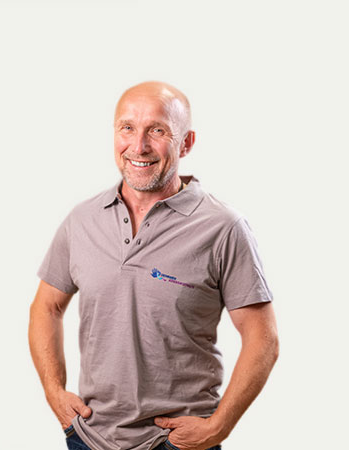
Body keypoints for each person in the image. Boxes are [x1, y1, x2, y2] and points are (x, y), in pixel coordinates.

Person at [29, 81, 279, 450]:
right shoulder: (81, 220)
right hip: (89, 437)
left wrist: (218, 426)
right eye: (127, 128)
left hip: (176, 442)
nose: (139, 146)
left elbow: (263, 339)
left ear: (186, 143)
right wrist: (54, 392)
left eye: (157, 130)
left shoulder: (223, 228)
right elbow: (46, 307)